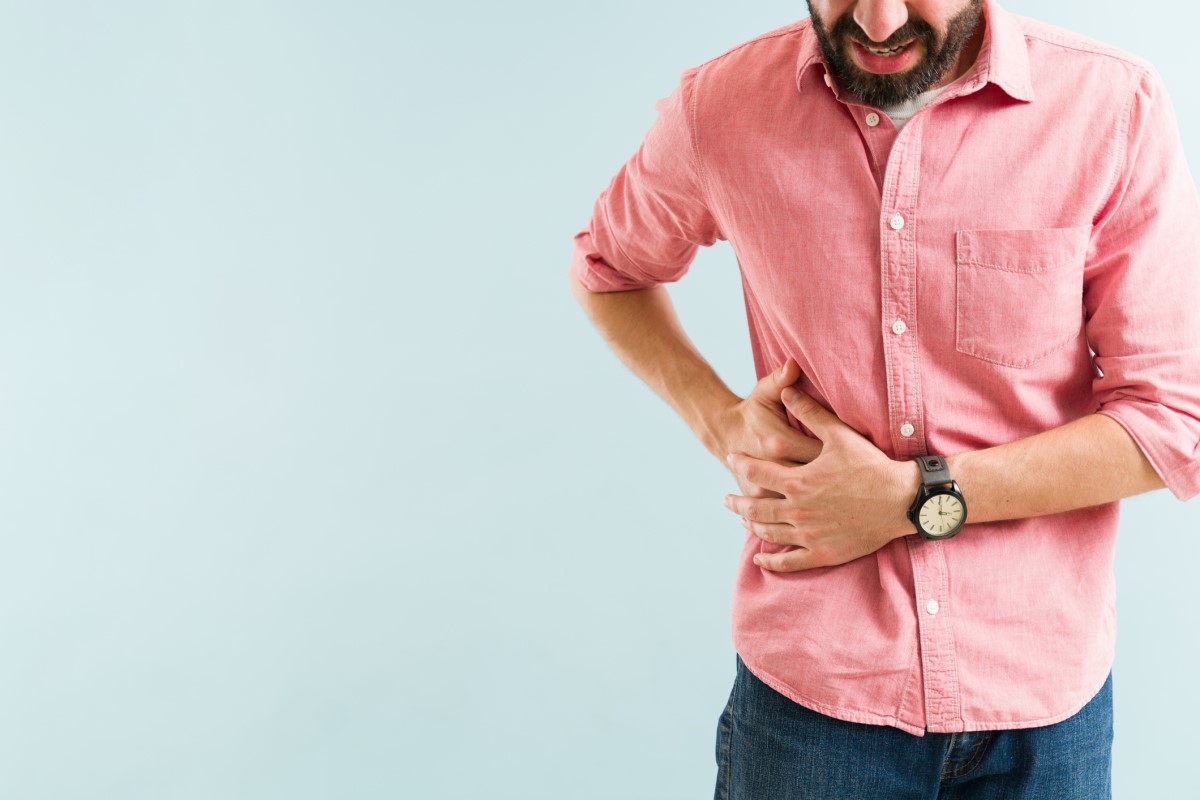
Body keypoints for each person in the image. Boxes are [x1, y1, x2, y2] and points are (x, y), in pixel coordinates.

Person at [568, 0, 1200, 797]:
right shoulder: (721, 107)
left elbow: (1175, 419)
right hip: (812, 703)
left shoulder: (1111, 108)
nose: (874, 20)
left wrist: (911, 498)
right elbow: (608, 268)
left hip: (1043, 706)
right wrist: (720, 420)